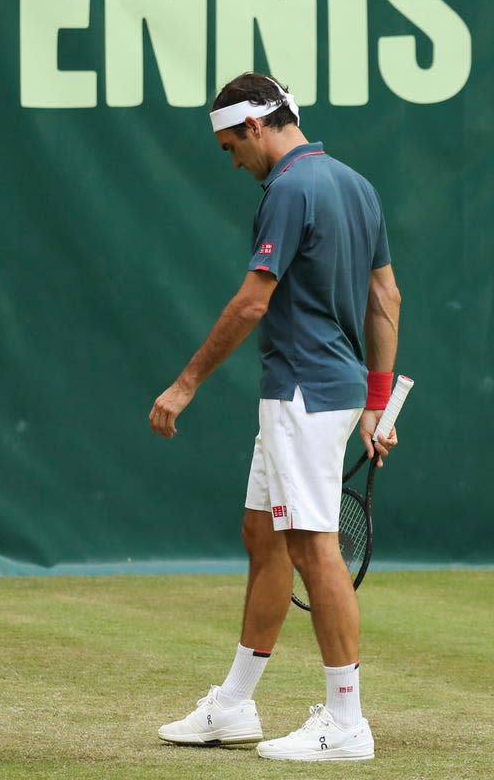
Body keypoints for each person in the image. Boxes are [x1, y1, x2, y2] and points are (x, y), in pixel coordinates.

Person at [148, 72, 401, 762]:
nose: (233, 161)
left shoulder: (289, 188)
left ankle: (347, 724)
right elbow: (387, 297)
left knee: (314, 548)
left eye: (232, 146)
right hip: (332, 391)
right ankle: (232, 707)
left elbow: (253, 303)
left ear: (257, 127)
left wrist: (185, 383)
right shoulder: (353, 183)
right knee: (263, 535)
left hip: (301, 395)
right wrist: (377, 402)